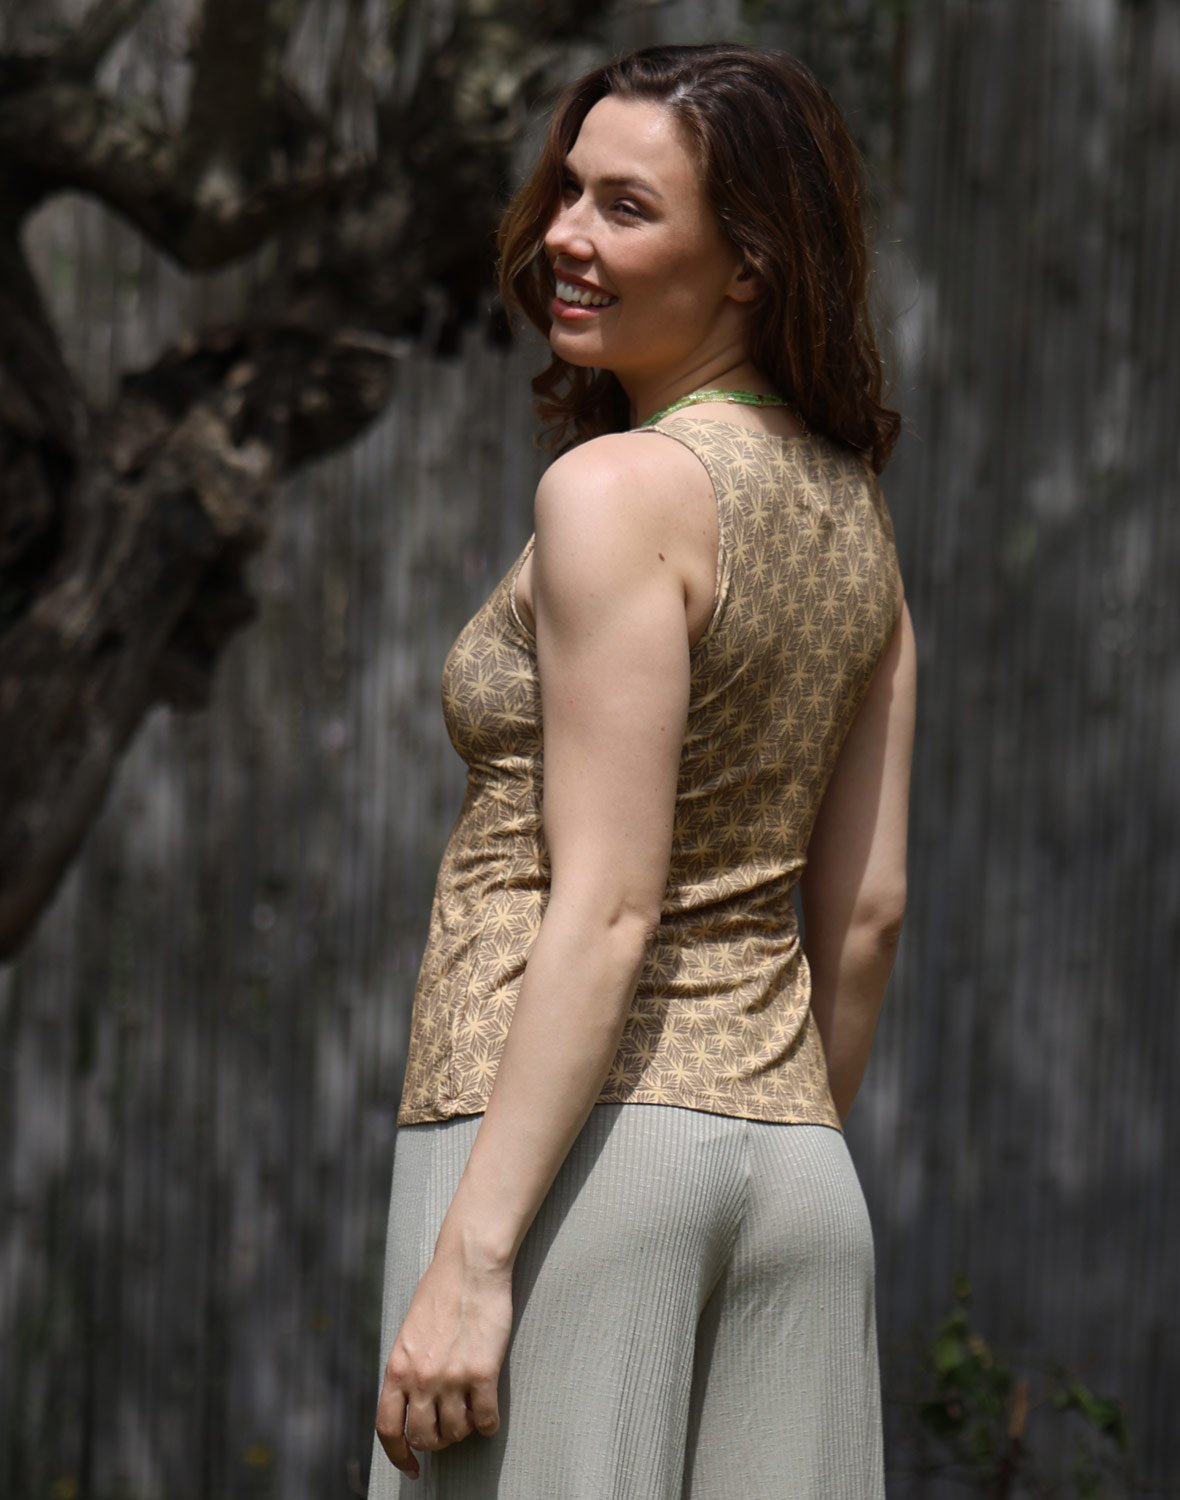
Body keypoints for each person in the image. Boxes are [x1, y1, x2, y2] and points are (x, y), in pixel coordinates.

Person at [369, 41, 916, 1500]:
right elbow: (869, 917)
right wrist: (758, 1132)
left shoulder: (614, 492)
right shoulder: (856, 519)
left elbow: (610, 903)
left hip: (566, 1163)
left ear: (749, 265)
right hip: (797, 1174)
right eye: (568, 191)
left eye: (625, 207)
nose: (564, 233)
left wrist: (475, 1259)